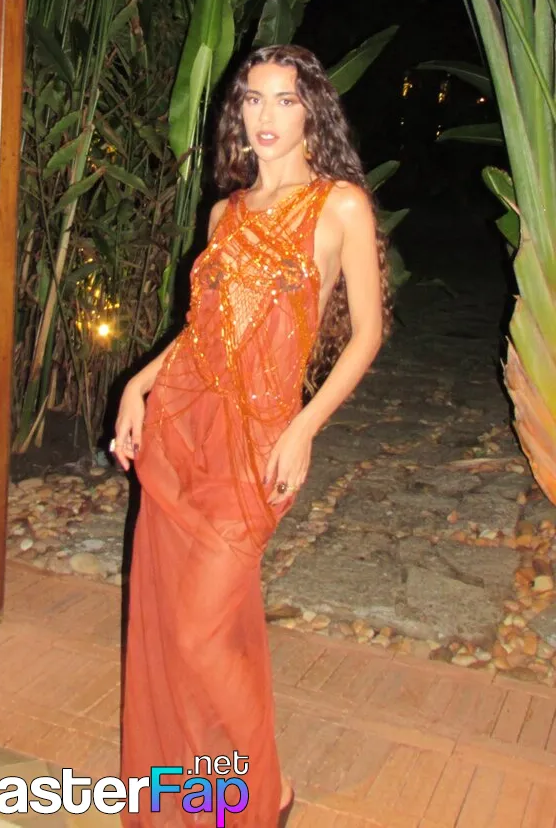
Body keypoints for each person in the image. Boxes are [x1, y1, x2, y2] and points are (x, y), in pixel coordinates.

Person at [112, 44, 389, 827]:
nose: (266, 116)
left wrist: (304, 427)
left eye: (284, 100)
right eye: (253, 100)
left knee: (199, 633)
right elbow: (202, 332)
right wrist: (139, 383)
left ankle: (266, 790)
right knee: (186, 625)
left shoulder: (339, 205)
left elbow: (367, 335)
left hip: (258, 443)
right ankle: (214, 783)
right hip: (181, 426)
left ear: (311, 114)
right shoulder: (225, 213)